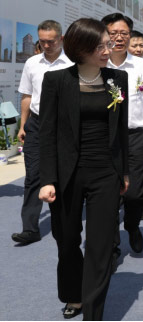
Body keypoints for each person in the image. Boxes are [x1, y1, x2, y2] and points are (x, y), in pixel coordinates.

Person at [38, 18, 129, 320]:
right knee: (67, 240)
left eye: (108, 44)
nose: (108, 50)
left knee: (100, 246)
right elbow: (47, 133)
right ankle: (73, 294)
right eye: (100, 46)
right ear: (81, 48)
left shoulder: (118, 79)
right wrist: (47, 179)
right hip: (67, 174)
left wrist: (123, 172)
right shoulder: (56, 81)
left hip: (105, 172)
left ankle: (92, 312)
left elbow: (121, 129)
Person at [103, 13, 143, 258]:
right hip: (104, 138)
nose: (118, 38)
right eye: (113, 33)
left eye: (123, 33)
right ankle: (112, 245)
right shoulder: (97, 63)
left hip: (137, 136)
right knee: (107, 194)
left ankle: (132, 225)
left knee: (135, 192)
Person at [13, 20, 73, 245]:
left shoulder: (72, 62)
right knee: (33, 176)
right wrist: (23, 125)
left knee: (65, 174)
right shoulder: (32, 63)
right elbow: (27, 96)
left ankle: (66, 221)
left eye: (51, 41)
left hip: (65, 125)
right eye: (42, 41)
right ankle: (29, 228)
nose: (46, 45)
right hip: (37, 125)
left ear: (61, 39)